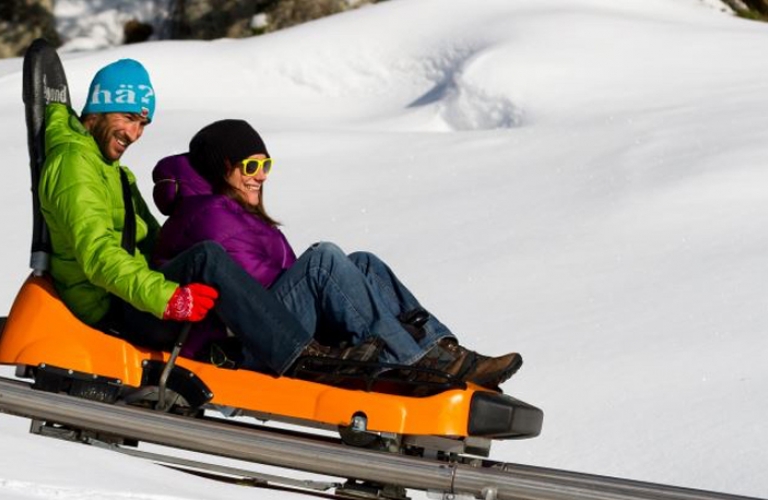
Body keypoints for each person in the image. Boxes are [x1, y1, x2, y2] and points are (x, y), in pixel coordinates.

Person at [37, 59, 379, 379]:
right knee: (206, 256)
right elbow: (99, 257)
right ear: (99, 108)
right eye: (128, 118)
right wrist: (167, 296)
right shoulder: (74, 166)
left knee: (204, 255)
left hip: (128, 296)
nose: (135, 133)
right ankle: (298, 356)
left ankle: (312, 341)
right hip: (111, 309)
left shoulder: (110, 170)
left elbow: (153, 243)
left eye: (143, 124)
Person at [152, 119, 523, 390]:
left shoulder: (232, 211)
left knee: (363, 262)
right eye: (250, 166)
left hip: (274, 325)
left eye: (265, 165)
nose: (261, 175)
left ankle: (439, 348)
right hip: (257, 343)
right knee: (324, 260)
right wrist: (320, 287)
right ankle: (407, 357)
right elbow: (252, 296)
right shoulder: (208, 216)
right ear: (223, 170)